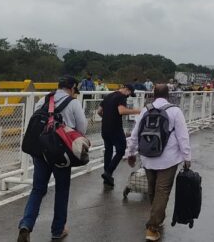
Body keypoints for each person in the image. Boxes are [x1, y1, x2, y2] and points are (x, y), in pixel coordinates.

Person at [18, 76, 87, 242]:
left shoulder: (44, 98)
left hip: (40, 151)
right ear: (71, 88)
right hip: (60, 154)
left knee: (38, 189)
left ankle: (26, 224)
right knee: (62, 190)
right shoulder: (73, 103)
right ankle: (58, 230)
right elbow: (82, 127)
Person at [127, 84, 192, 242]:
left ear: (153, 95)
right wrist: (187, 157)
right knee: (162, 192)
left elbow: (135, 133)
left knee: (153, 190)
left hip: (148, 157)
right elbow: (183, 136)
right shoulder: (175, 111)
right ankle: (152, 227)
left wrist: (131, 153)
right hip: (168, 160)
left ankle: (157, 218)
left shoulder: (145, 110)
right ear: (168, 95)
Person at [96, 84, 140, 186]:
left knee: (108, 150)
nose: (128, 96)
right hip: (115, 128)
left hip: (105, 128)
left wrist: (106, 117)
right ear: (127, 90)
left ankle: (107, 177)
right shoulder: (121, 96)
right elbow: (122, 111)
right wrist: (137, 111)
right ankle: (109, 172)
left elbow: (99, 111)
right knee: (121, 149)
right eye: (129, 94)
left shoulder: (109, 96)